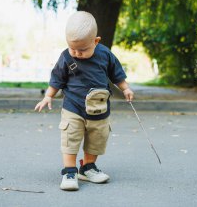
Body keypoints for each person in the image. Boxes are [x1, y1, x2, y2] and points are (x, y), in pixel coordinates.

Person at [35, 11, 134, 191]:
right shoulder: (66, 57)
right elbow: (57, 78)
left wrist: (125, 88)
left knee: (97, 138)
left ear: (96, 41)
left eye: (82, 50)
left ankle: (88, 167)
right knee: (70, 137)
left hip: (100, 108)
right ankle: (69, 171)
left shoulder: (105, 55)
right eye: (73, 49)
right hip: (73, 107)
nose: (77, 53)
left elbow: (116, 74)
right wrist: (48, 96)